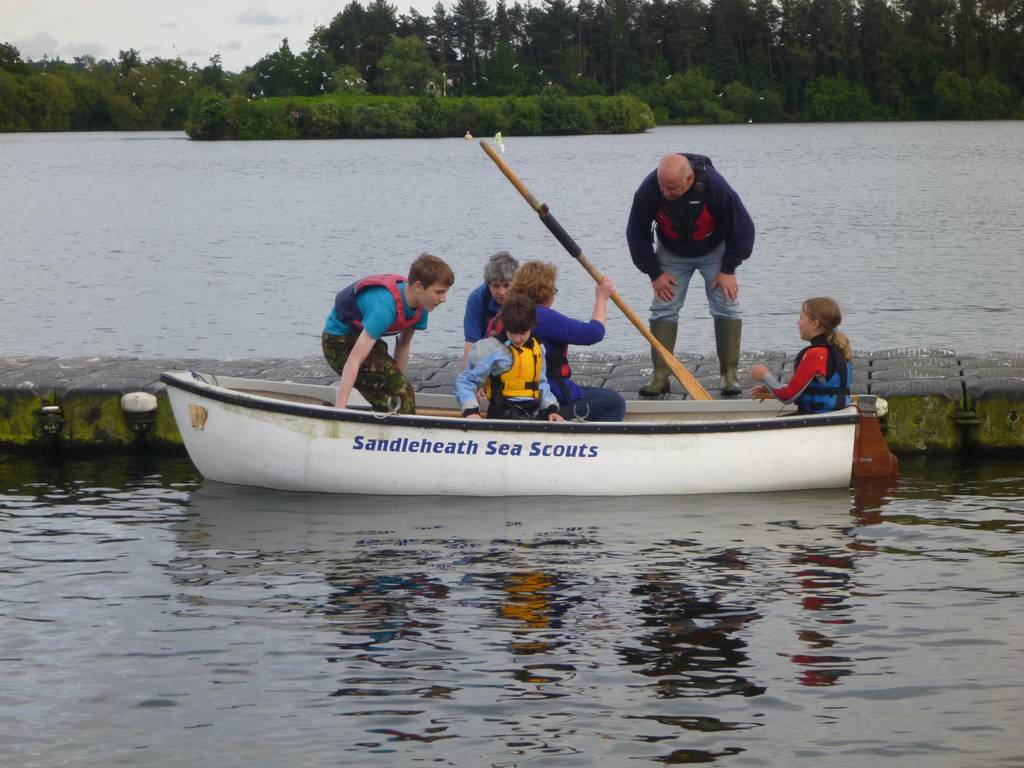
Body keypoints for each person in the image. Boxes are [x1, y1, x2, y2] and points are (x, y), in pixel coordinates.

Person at [626, 152, 755, 397]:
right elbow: (636, 233)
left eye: (672, 188)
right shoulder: (649, 189)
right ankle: (660, 377)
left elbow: (743, 228)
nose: (665, 192)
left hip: (714, 250)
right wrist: (654, 272)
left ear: (689, 178)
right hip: (672, 252)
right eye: (662, 186)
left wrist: (729, 269)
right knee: (663, 307)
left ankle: (729, 376)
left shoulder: (715, 187)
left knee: (727, 304)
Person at [322, 253, 454, 413]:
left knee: (400, 392)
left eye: (445, 292)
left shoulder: (422, 306)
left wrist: (397, 379)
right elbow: (354, 360)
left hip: (364, 337)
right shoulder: (384, 308)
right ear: (418, 287)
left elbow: (403, 344)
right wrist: (339, 412)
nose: (444, 299)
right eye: (439, 292)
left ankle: (386, 427)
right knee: (401, 396)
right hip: (338, 341)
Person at [503, 260, 627, 422]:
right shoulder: (541, 316)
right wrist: (602, 298)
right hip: (546, 396)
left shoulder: (507, 312)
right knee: (615, 403)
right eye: (554, 289)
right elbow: (593, 333)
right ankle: (586, 445)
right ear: (545, 292)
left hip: (514, 395)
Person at [455, 294, 565, 422]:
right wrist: (471, 411)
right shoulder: (491, 349)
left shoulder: (538, 349)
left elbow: (541, 383)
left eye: (523, 333)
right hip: (501, 415)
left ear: (531, 327)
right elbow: (466, 381)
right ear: (506, 326)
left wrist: (551, 408)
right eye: (513, 332)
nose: (517, 339)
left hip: (532, 414)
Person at [749, 297, 853, 413]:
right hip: (834, 414)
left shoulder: (816, 354)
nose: (797, 323)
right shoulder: (839, 348)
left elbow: (787, 396)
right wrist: (771, 389)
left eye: (801, 318)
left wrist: (765, 376)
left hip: (817, 418)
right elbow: (806, 389)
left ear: (814, 323)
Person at [461, 251, 519, 366]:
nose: (501, 292)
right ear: (488, 284)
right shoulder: (477, 299)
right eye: (496, 286)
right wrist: (467, 378)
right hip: (487, 353)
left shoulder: (525, 297)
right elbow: (471, 343)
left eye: (507, 285)